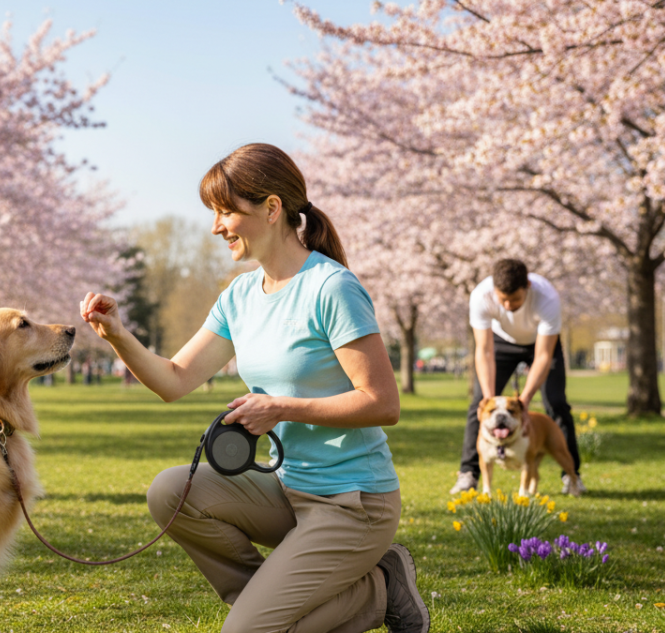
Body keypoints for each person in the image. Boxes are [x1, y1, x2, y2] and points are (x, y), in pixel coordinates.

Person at [81, 144, 428, 633]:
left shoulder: (332, 288)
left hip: (354, 502)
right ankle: (276, 605)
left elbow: (382, 403)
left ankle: (377, 592)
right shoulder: (240, 296)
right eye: (214, 213)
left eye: (226, 211)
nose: (216, 226)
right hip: (288, 490)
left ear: (271, 208)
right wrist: (118, 333)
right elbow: (175, 380)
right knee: (170, 492)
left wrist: (282, 408)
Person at [450, 258, 585, 496]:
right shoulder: (481, 296)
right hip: (501, 343)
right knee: (479, 403)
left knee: (556, 403)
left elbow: (543, 356)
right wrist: (490, 399)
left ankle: (571, 476)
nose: (508, 304)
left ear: (528, 288)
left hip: (539, 343)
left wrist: (524, 402)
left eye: (515, 299)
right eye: (503, 299)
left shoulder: (547, 299)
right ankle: (469, 473)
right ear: (494, 291)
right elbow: (484, 350)